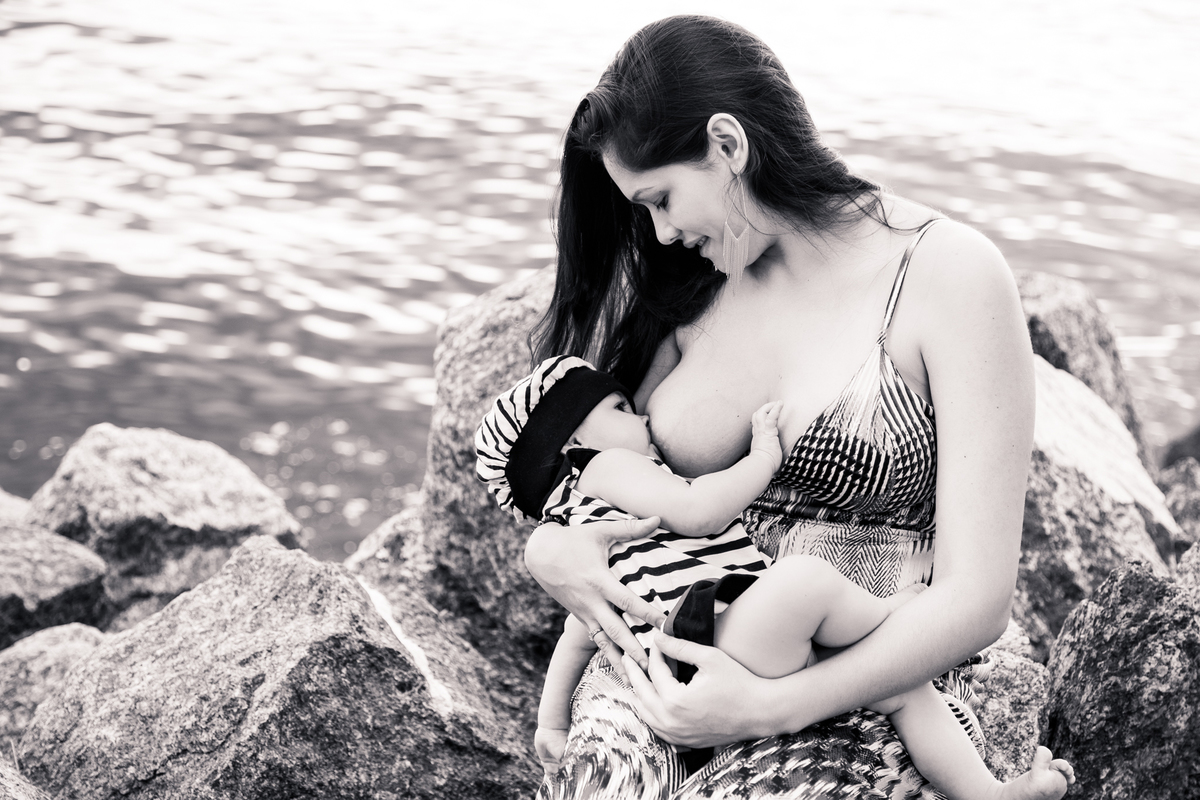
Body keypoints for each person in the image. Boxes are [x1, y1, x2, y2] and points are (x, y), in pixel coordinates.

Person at [518, 14, 1044, 800]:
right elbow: (598, 470)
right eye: (642, 211)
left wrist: (769, 707)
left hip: (877, 675)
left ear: (728, 146)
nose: (658, 235)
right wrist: (552, 553)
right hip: (676, 649)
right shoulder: (686, 289)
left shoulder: (950, 275)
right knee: (600, 785)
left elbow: (976, 602)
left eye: (662, 199)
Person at [477, 357, 1074, 800]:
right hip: (712, 644)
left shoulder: (591, 529)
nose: (642, 415)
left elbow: (580, 634)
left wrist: (551, 724)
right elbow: (698, 508)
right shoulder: (608, 468)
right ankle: (895, 616)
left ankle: (989, 793)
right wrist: (762, 458)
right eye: (620, 410)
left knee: (898, 687)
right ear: (574, 442)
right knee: (803, 583)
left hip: (679, 673)